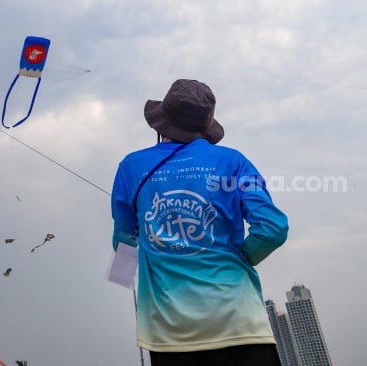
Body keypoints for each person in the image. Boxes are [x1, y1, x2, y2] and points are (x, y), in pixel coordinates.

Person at [110, 79, 289, 366]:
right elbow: (273, 229)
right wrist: (241, 257)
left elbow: (124, 240)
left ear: (160, 124)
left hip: (169, 333)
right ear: (204, 124)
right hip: (241, 323)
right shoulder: (232, 161)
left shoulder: (131, 166)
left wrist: (123, 273)